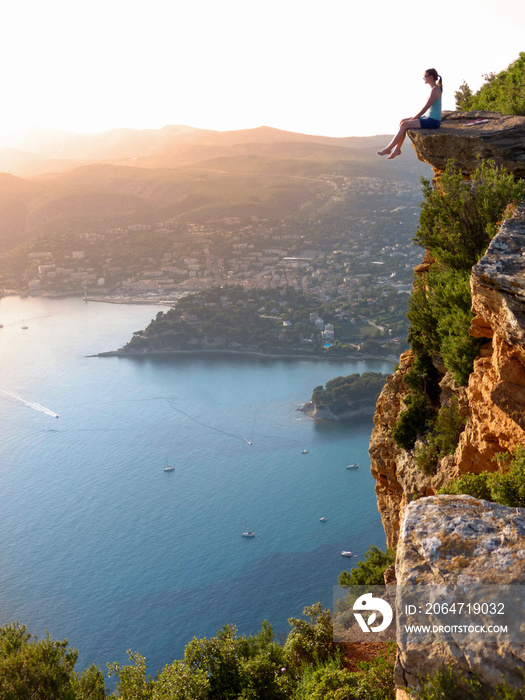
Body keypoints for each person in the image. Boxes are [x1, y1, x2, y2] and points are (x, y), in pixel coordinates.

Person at [377, 69, 443, 159]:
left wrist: (414, 118)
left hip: (433, 121)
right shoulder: (434, 89)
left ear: (431, 77)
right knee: (402, 121)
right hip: (429, 118)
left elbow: (425, 108)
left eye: (425, 76)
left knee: (405, 124)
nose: (423, 78)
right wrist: (414, 118)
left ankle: (389, 149)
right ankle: (397, 149)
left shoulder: (435, 90)